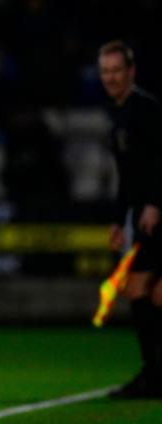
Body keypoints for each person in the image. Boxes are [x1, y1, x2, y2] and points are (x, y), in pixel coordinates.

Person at [98, 39, 162, 398]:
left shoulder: (146, 110)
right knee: (156, 296)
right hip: (142, 214)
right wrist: (116, 220)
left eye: (116, 70)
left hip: (156, 214)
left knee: (137, 288)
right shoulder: (118, 115)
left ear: (131, 72)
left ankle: (151, 375)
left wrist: (155, 203)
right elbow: (127, 176)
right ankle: (155, 372)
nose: (110, 77)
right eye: (105, 71)